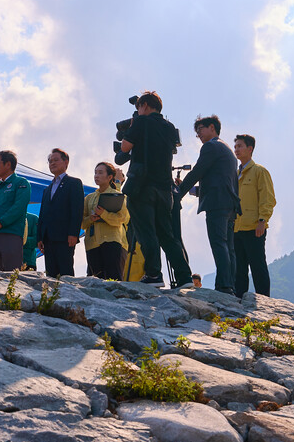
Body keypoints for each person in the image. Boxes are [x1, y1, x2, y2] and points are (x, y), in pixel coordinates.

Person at [120, 90, 190, 286]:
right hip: (164, 188)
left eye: (139, 107)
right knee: (166, 235)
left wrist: (132, 128)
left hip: (142, 186)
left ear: (145, 106)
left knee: (146, 231)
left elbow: (125, 147)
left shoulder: (141, 122)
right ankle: (185, 277)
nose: (139, 110)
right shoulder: (169, 127)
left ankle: (153, 275)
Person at [175, 115, 240, 294]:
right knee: (228, 247)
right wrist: (191, 190)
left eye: (200, 130)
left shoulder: (210, 146)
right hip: (230, 203)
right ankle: (229, 285)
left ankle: (223, 286)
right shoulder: (226, 149)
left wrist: (178, 194)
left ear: (212, 127)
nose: (199, 136)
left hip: (216, 203)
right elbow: (218, 180)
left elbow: (198, 171)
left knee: (219, 243)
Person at [233, 133, 276, 298]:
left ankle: (264, 300)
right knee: (239, 268)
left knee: (258, 266)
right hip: (236, 227)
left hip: (254, 226)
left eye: (240, 146)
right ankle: (239, 300)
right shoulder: (234, 173)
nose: (236, 149)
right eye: (235, 146)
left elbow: (268, 198)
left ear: (250, 149)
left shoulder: (259, 171)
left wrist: (262, 220)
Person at [0, 150, 30, 272]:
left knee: (10, 277)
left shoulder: (21, 183)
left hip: (10, 236)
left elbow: (18, 207)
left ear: (8, 164)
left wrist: (1, 222)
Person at [38, 148, 85, 277]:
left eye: (56, 160)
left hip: (65, 236)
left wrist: (74, 233)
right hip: (48, 237)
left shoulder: (74, 183)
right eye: (50, 161)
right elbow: (42, 214)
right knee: (51, 274)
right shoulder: (47, 189)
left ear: (66, 162)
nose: (52, 163)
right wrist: (40, 237)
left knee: (66, 272)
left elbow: (77, 210)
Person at [83, 161, 130, 280]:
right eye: (95, 173)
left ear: (110, 177)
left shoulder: (118, 196)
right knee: (95, 280)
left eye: (100, 173)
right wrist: (90, 219)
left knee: (113, 280)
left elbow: (122, 219)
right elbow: (82, 222)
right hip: (92, 243)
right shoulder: (89, 198)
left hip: (113, 241)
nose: (96, 176)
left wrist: (103, 214)